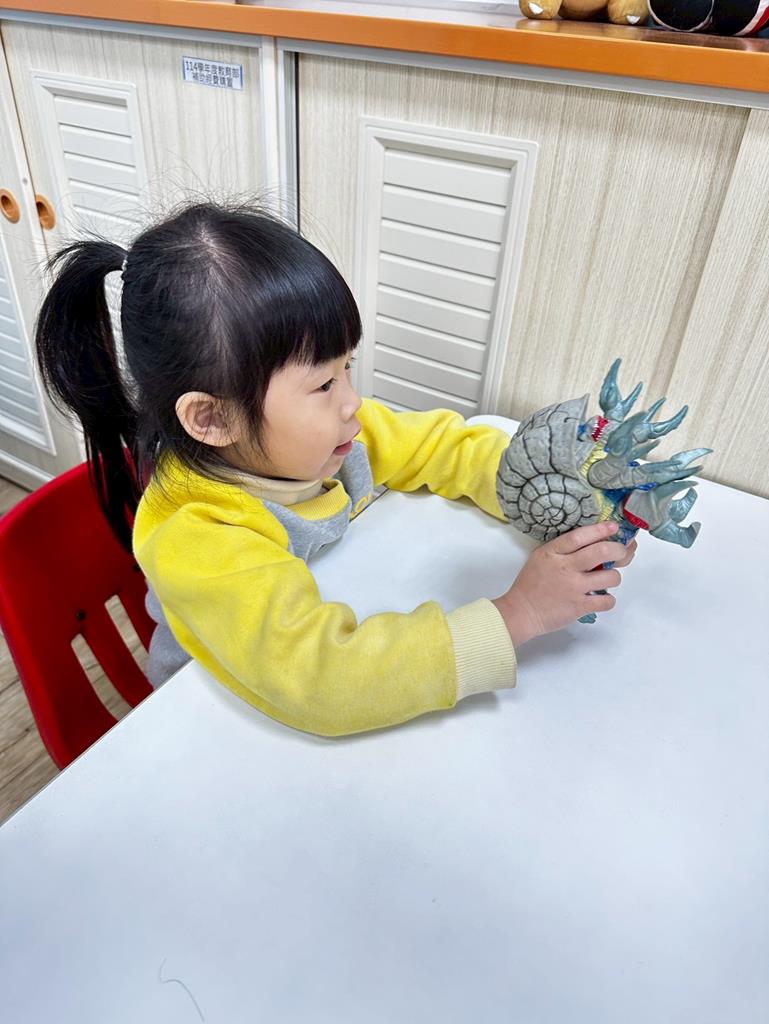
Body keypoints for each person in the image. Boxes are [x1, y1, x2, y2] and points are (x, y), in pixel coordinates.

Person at [35, 201, 635, 737]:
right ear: (214, 419)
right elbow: (324, 679)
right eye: (323, 383)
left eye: (347, 366)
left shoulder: (332, 435)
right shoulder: (197, 534)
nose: (352, 401)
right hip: (220, 724)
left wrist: (546, 486)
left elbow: (439, 446)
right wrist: (518, 614)